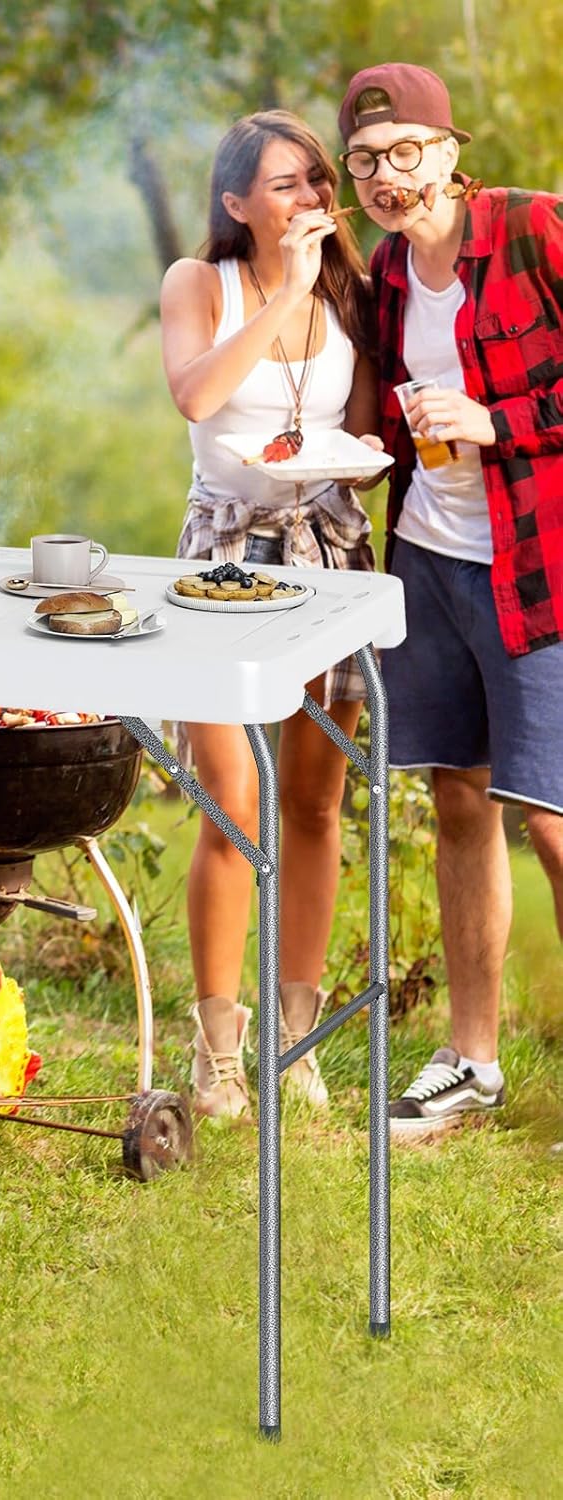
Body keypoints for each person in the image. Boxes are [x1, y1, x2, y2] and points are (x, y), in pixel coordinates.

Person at [336, 63, 563, 1138]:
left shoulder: (534, 230)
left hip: (539, 566)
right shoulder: (384, 269)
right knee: (461, 801)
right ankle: (473, 1063)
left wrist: (499, 425)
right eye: (366, 161)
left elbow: (506, 411)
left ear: (449, 147)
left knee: (552, 820)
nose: (388, 176)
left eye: (405, 152)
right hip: (427, 559)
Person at [159, 111, 380, 1120]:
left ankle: (300, 1039)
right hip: (225, 559)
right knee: (230, 803)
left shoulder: (351, 290)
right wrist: (282, 291)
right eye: (283, 186)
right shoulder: (197, 284)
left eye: (314, 183)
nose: (306, 202)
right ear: (236, 202)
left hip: (329, 552)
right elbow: (198, 399)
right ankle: (217, 1051)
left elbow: (365, 431)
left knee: (316, 804)